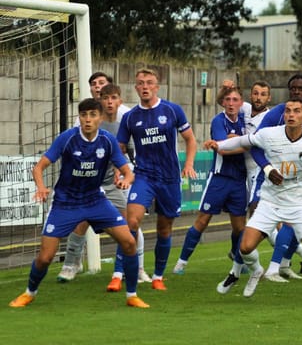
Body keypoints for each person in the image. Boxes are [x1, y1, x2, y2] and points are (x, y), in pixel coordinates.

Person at [204, 97, 302, 307]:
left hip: (299, 205)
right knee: (245, 247)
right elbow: (245, 141)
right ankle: (256, 270)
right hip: (270, 202)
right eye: (288, 111)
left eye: (297, 111)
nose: (291, 115)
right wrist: (219, 144)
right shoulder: (270, 135)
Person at [9, 98, 143, 308]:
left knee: (129, 242)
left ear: (99, 117)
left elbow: (126, 170)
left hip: (95, 201)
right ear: (79, 117)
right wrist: (41, 187)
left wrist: (126, 179)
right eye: (84, 115)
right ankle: (29, 292)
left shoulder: (107, 140)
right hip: (65, 203)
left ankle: (132, 295)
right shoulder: (68, 138)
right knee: (45, 257)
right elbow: (39, 167)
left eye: (92, 115)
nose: (88, 120)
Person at [58, 73, 150, 284]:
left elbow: (135, 152)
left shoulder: (128, 117)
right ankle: (71, 263)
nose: (108, 100)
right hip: (90, 180)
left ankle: (138, 268)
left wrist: (127, 173)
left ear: (119, 98)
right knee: (80, 220)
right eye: (95, 86)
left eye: (111, 95)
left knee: (131, 223)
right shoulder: (85, 119)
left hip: (118, 180)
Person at [117, 68, 197, 300]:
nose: (145, 86)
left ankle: (158, 276)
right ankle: (122, 271)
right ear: (135, 87)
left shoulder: (172, 110)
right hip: (143, 176)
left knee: (164, 228)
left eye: (149, 83)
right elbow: (119, 149)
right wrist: (119, 170)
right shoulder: (130, 117)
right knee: (131, 221)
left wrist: (189, 164)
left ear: (156, 86)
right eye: (140, 83)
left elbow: (190, 139)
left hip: (169, 178)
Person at [172, 85, 247, 279]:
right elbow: (223, 148)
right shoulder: (217, 121)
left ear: (241, 103)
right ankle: (181, 262)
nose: (231, 104)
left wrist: (237, 139)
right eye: (228, 100)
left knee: (240, 227)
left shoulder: (246, 120)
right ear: (223, 102)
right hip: (219, 179)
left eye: (235, 100)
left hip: (239, 180)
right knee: (203, 220)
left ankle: (236, 256)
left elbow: (232, 143)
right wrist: (247, 142)